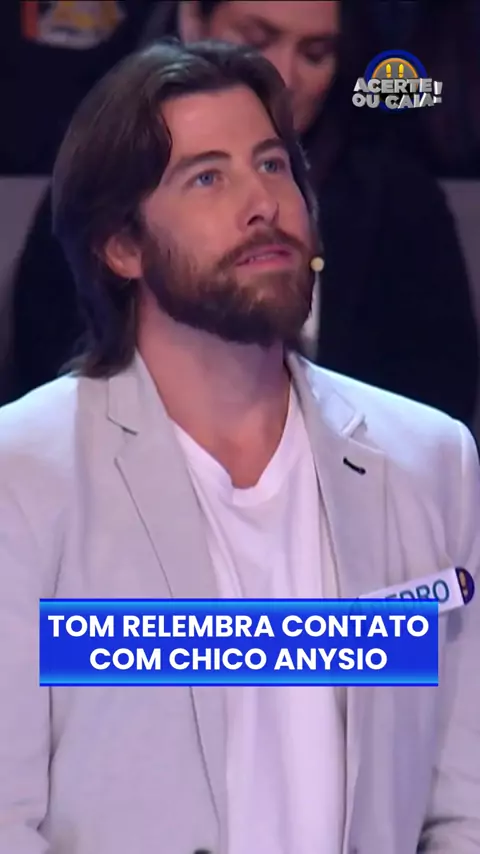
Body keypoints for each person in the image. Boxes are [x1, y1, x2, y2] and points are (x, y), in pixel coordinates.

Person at [0, 38, 479, 854]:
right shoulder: (26, 475)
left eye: (273, 164)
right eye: (207, 177)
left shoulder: (430, 462)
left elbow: (463, 804)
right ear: (122, 245)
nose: (263, 203)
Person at [8, 0, 479, 428]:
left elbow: (437, 391)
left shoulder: (397, 199)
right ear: (193, 19)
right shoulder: (100, 187)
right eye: (257, 40)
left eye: (315, 53)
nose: (285, 77)